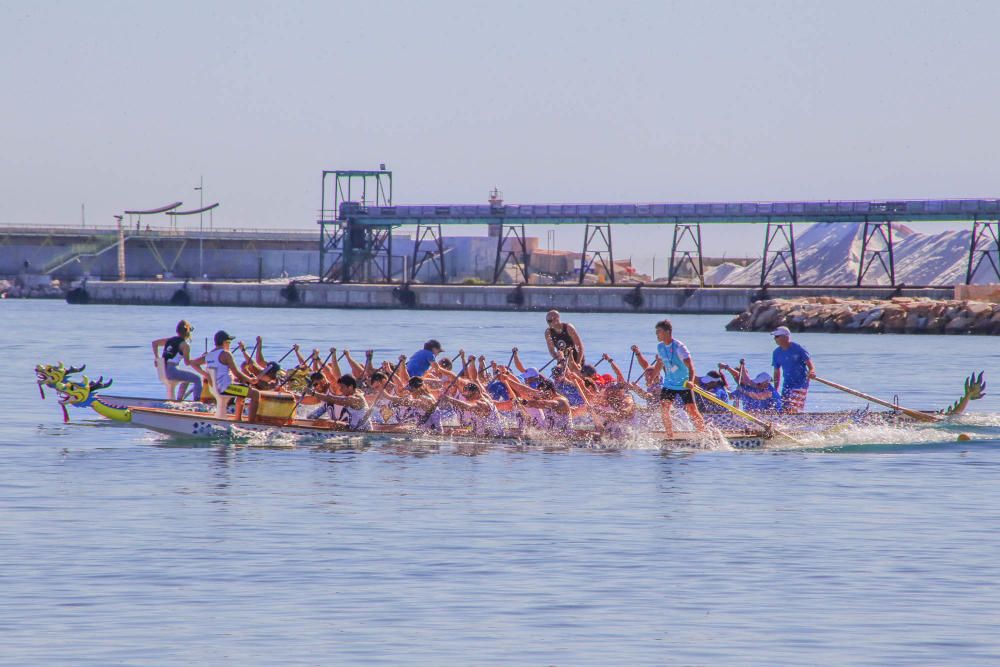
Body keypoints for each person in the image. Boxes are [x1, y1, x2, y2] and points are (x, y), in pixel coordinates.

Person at [652, 319, 704, 437]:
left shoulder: (679, 347)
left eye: (658, 332)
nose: (656, 334)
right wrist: (652, 377)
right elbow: (660, 364)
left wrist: (691, 381)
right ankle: (670, 435)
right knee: (664, 409)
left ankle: (702, 433)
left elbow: (691, 367)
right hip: (669, 384)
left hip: (683, 384)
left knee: (692, 410)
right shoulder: (660, 347)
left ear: (667, 332)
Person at [204, 330, 261, 422]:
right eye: (229, 342)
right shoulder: (226, 354)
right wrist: (251, 380)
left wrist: (204, 374)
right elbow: (236, 372)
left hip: (215, 388)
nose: (229, 344)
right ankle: (251, 423)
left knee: (242, 387)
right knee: (255, 394)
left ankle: (238, 419)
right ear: (224, 342)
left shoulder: (209, 355)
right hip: (226, 388)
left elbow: (193, 363)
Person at [151, 320, 208, 401]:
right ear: (187, 332)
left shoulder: (169, 340)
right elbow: (187, 362)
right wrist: (202, 358)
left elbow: (154, 343)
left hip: (162, 370)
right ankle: (197, 401)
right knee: (197, 379)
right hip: (171, 371)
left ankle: (179, 400)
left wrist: (157, 358)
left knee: (186, 379)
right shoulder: (185, 345)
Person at [771, 326, 816, 414]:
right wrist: (775, 389)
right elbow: (776, 372)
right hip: (787, 384)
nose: (775, 339)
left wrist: (812, 372)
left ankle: (797, 422)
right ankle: (786, 424)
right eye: (774, 337)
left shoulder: (799, 349)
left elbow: (810, 365)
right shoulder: (776, 353)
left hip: (801, 383)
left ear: (785, 336)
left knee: (793, 407)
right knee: (784, 407)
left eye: (777, 336)